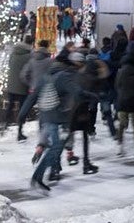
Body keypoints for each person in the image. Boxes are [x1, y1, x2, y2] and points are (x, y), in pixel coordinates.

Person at [30, 51, 97, 191]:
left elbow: (35, 97)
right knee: (56, 147)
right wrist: (93, 96)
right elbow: (77, 93)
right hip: (64, 118)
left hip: (53, 116)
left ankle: (47, 172)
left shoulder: (50, 76)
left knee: (55, 146)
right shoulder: (67, 76)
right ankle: (41, 175)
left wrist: (22, 115)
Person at [67, 52, 108, 174]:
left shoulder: (71, 74)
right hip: (81, 109)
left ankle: (56, 166)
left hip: (71, 108)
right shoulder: (86, 76)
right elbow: (103, 78)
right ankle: (86, 163)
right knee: (84, 136)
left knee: (68, 135)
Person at [115, 42, 134, 157]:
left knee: (122, 124)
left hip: (122, 99)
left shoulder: (121, 69)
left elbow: (117, 85)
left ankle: (120, 147)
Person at [6, 35, 33, 141]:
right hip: (22, 86)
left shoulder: (13, 53)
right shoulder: (29, 56)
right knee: (22, 110)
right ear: (31, 44)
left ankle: (5, 122)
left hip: (11, 84)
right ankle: (20, 132)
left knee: (10, 105)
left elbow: (9, 65)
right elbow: (30, 72)